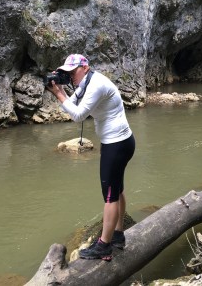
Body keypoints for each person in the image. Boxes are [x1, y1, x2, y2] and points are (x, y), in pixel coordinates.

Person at [47, 53, 135, 262]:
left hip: (116, 145)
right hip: (120, 142)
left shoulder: (96, 84)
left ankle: (104, 246)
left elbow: (78, 115)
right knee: (117, 189)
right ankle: (118, 235)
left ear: (85, 68)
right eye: (67, 72)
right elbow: (73, 103)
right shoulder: (87, 82)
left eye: (73, 71)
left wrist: (58, 94)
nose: (70, 75)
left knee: (110, 196)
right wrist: (60, 89)